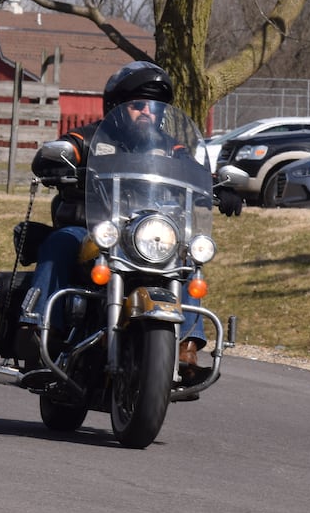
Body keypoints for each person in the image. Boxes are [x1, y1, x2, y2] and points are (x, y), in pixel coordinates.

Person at [27, 60, 233, 377]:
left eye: (155, 107)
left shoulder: (172, 148)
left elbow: (198, 172)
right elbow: (61, 149)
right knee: (59, 243)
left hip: (147, 236)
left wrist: (222, 184)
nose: (148, 112)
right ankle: (40, 329)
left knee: (187, 259)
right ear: (117, 107)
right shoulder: (89, 138)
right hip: (93, 231)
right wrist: (53, 157)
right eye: (139, 105)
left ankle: (185, 350)